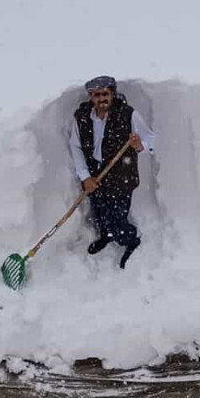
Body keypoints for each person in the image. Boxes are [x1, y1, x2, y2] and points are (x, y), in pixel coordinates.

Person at [69, 75, 154, 269]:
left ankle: (129, 240)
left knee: (116, 216)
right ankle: (106, 236)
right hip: (95, 176)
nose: (102, 98)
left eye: (105, 94)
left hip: (121, 176)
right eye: (97, 95)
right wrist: (85, 177)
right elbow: (76, 147)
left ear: (113, 94)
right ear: (91, 97)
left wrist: (140, 145)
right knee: (99, 213)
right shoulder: (81, 117)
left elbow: (151, 139)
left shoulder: (127, 114)